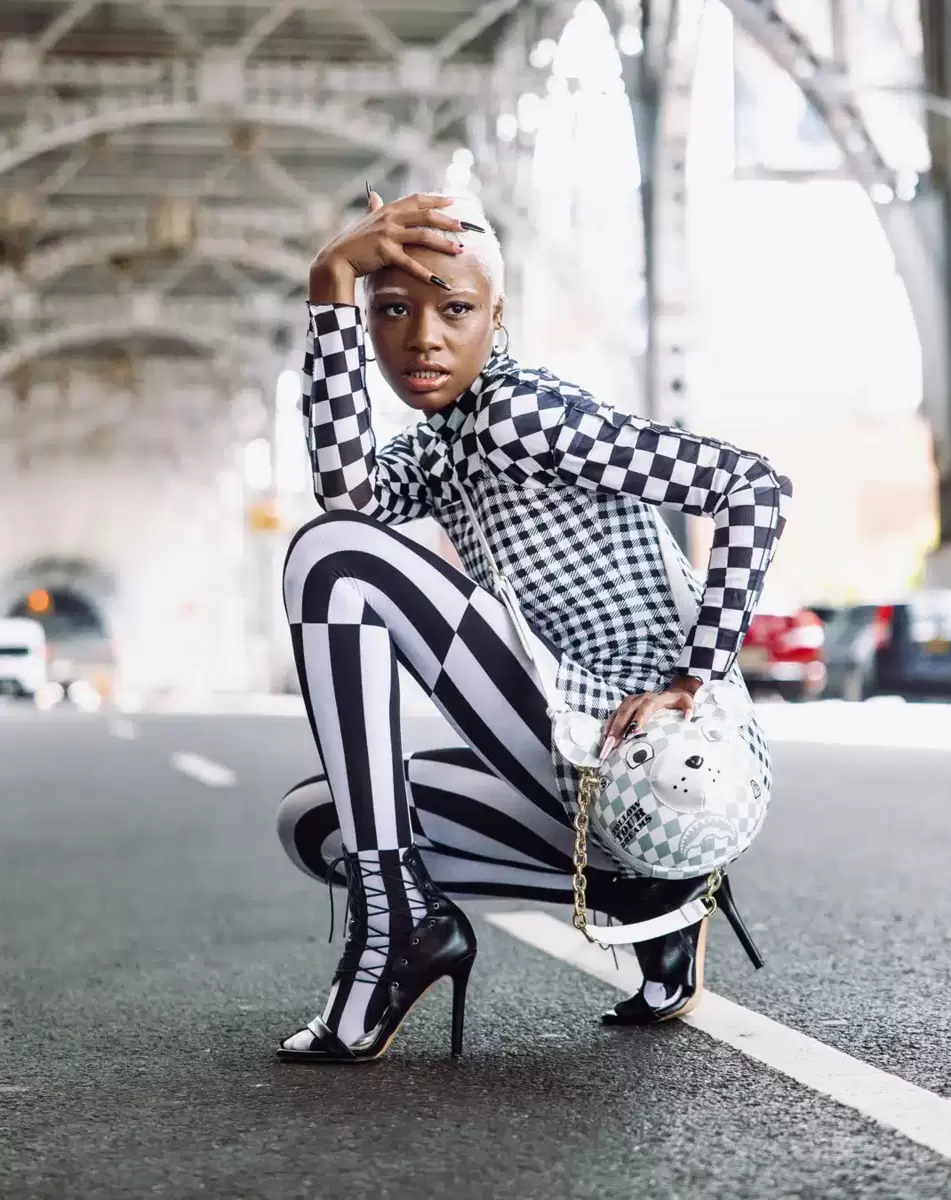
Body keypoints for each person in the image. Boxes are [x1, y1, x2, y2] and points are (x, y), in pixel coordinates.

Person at [276, 188, 791, 1063]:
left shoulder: (525, 414)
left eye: (455, 309)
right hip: (570, 752)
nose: (423, 338)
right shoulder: (441, 446)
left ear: (497, 316)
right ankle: (646, 896)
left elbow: (754, 488)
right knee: (318, 822)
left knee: (331, 558)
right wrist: (331, 282)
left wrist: (693, 680)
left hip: (653, 754)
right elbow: (349, 493)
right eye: (392, 311)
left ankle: (399, 928)